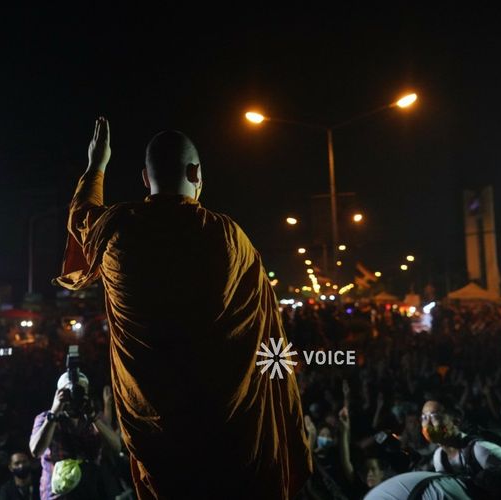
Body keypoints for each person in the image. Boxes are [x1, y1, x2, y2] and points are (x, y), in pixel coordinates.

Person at [54, 117, 312, 499]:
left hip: (157, 435)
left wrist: (96, 166)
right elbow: (268, 335)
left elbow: (81, 219)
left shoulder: (117, 230)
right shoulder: (229, 237)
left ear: (144, 177)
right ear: (195, 172)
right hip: (228, 435)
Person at [29, 371, 120, 499]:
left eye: (81, 391)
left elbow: (116, 447)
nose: (75, 396)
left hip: (89, 491)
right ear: (59, 393)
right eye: (71, 391)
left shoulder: (94, 417)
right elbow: (36, 451)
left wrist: (93, 417)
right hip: (58, 495)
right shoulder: (45, 418)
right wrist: (54, 412)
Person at [421, 398, 501, 474]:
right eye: (424, 417)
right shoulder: (439, 457)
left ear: (456, 420)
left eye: (434, 416)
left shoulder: (480, 450)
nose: (427, 423)